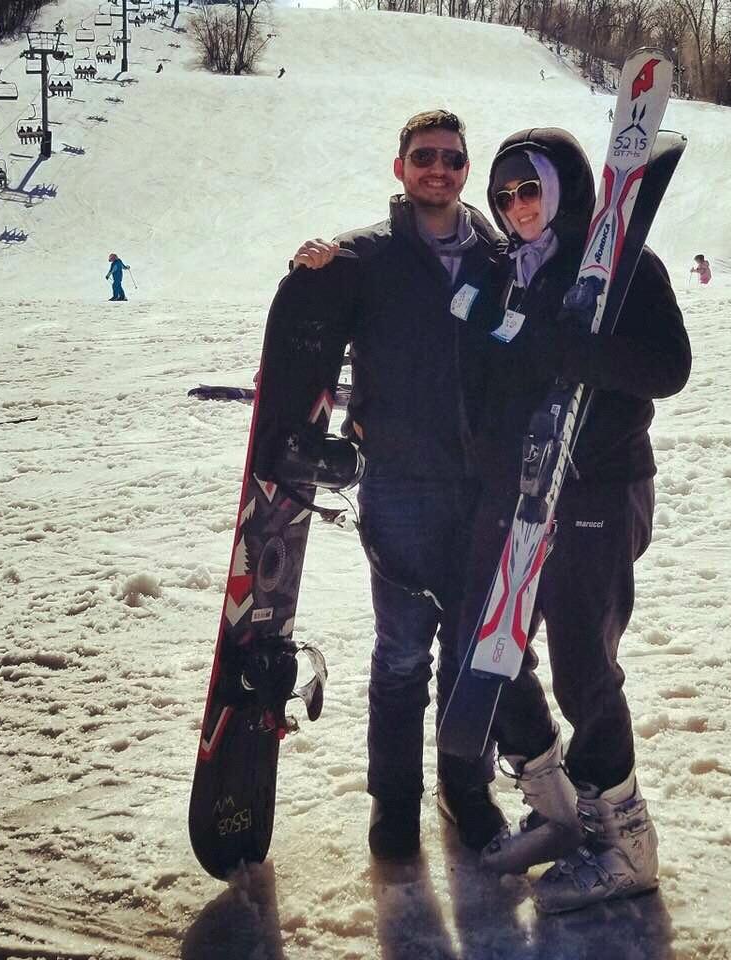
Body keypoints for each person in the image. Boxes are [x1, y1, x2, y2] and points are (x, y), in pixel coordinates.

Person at [457, 129, 691, 913]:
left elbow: (668, 368)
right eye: (504, 196)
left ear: (561, 190)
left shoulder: (624, 268)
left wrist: (569, 349)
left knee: (584, 666)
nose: (517, 207)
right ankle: (557, 809)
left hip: (601, 489)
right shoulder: (509, 276)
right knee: (493, 644)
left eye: (529, 189)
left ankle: (625, 844)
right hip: (524, 492)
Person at [269, 110, 510, 862]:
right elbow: (307, 333)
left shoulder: (498, 257)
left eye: (452, 159)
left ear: (467, 169)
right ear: (400, 166)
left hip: (483, 485)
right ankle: (395, 801)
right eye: (424, 156)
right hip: (401, 482)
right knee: (402, 652)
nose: (438, 169)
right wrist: (309, 267)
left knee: (472, 651)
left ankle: (466, 789)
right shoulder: (365, 257)